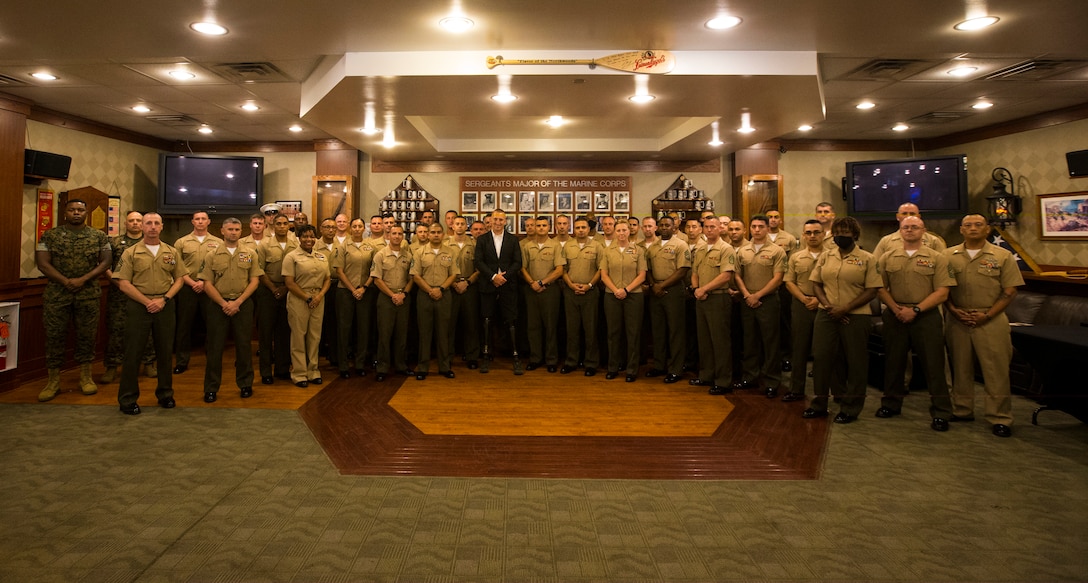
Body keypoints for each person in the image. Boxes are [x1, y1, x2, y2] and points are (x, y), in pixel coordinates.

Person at [943, 214, 1024, 438]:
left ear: (987, 229)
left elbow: (1010, 291)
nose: (973, 229)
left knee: (995, 371)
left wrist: (987, 315)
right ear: (961, 230)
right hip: (957, 318)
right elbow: (942, 288)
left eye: (978, 225)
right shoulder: (948, 255)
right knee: (960, 368)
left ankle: (1000, 417)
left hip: (991, 319)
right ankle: (962, 410)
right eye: (968, 225)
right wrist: (953, 310)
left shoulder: (1002, 255)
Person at [875, 216, 955, 431]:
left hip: (926, 316)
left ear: (924, 231)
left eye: (914, 227)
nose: (910, 230)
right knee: (894, 362)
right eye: (905, 227)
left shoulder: (938, 258)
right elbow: (879, 288)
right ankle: (891, 403)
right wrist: (895, 309)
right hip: (895, 313)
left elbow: (942, 292)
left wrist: (916, 310)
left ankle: (941, 411)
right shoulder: (887, 257)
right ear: (900, 231)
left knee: (934, 364)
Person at [804, 217, 882, 424]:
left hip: (856, 316)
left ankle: (850, 408)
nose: (841, 236)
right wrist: (828, 306)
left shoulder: (868, 258)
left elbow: (872, 289)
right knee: (821, 359)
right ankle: (819, 404)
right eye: (837, 232)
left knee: (856, 362)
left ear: (855, 235)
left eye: (845, 232)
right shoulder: (826, 256)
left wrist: (846, 308)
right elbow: (816, 284)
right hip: (826, 314)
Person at [35, 198, 112, 401]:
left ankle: (85, 377)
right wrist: (66, 281)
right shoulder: (50, 235)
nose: (76, 213)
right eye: (72, 210)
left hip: (87, 294)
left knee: (87, 336)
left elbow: (106, 262)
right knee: (54, 336)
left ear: (86, 213)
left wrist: (82, 280)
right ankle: (53, 381)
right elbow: (42, 263)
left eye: (80, 210)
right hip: (57, 294)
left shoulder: (99, 236)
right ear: (65, 213)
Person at [113, 212, 187, 415]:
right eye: (148, 223)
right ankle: (127, 399)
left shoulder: (171, 251)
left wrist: (164, 300)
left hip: (165, 305)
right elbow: (123, 283)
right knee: (133, 353)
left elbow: (180, 279)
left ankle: (165, 394)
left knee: (164, 352)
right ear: (142, 227)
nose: (152, 227)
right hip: (139, 305)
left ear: (162, 226)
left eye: (156, 223)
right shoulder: (131, 252)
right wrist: (147, 302)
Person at [199, 217, 261, 402]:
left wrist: (238, 302)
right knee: (215, 348)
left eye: (236, 229)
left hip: (242, 304)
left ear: (241, 232)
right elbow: (207, 283)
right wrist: (223, 303)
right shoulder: (211, 255)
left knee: (243, 346)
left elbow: (255, 280)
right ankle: (211, 388)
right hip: (218, 305)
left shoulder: (250, 254)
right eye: (230, 229)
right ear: (222, 232)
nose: (233, 232)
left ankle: (245, 384)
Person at [734, 214, 787, 397]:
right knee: (749, 341)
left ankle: (772, 381)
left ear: (767, 228)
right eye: (754, 226)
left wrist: (758, 295)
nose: (756, 230)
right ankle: (750, 377)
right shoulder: (743, 251)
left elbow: (778, 278)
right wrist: (747, 294)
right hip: (747, 299)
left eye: (760, 227)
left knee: (770, 342)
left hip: (768, 300)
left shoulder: (776, 251)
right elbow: (737, 275)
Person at [103, 211, 157, 383]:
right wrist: (119, 283)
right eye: (131, 221)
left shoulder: (151, 243)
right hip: (119, 294)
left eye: (138, 221)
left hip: (145, 294)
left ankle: (148, 363)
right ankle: (112, 366)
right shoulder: (114, 243)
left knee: (147, 330)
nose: (135, 223)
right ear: (125, 224)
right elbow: (105, 266)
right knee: (116, 330)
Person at [688, 216, 736, 395]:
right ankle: (706, 375)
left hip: (718, 298)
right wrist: (696, 289)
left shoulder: (726, 249)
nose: (709, 230)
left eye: (713, 227)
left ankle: (723, 381)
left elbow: (725, 276)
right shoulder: (700, 249)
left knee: (720, 341)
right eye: (706, 227)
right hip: (701, 298)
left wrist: (704, 289)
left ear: (720, 229)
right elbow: (695, 272)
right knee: (705, 340)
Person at [172, 211, 224, 374]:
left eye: (203, 219)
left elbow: (220, 266)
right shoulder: (181, 242)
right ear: (192, 222)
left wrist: (204, 283)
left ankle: (213, 360)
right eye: (197, 219)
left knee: (213, 326)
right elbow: (176, 267)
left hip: (210, 288)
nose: (200, 222)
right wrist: (193, 283)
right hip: (187, 288)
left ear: (209, 222)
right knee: (184, 326)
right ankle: (182, 361)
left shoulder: (218, 242)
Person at [474, 209, 524, 374]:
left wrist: (503, 277)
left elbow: (517, 263)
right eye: (495, 219)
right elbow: (479, 262)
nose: (497, 222)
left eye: (501, 220)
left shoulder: (512, 240)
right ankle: (486, 357)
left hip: (508, 286)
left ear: (505, 221)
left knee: (511, 321)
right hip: (488, 286)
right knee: (487, 321)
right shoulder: (482, 240)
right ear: (490, 220)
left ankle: (515, 357)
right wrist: (493, 276)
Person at [283, 224, 332, 387]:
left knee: (315, 337)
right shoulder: (291, 257)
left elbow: (327, 279)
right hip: (299, 299)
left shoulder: (322, 257)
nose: (309, 240)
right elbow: (289, 283)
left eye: (312, 236)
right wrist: (307, 298)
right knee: (298, 336)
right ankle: (299, 373)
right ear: (299, 238)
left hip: (318, 298)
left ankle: (313, 371)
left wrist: (319, 296)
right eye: (305, 236)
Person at [782, 220, 825, 402]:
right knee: (799, 349)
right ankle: (796, 389)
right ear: (803, 235)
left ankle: (824, 393)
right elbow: (789, 281)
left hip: (825, 305)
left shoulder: (832, 256)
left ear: (823, 234)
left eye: (816, 232)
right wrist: (803, 298)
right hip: (801, 303)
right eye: (809, 233)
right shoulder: (796, 257)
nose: (812, 236)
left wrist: (819, 299)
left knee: (823, 351)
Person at [644, 216, 690, 383]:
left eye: (667, 225)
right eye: (661, 225)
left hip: (673, 291)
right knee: (658, 331)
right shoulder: (653, 247)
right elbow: (647, 269)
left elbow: (682, 270)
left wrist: (661, 286)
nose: (664, 228)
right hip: (655, 292)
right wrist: (653, 285)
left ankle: (676, 369)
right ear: (657, 227)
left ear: (674, 227)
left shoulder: (680, 245)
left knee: (675, 332)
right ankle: (659, 365)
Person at [333, 218, 380, 378]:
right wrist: (353, 289)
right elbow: (339, 271)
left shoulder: (371, 247)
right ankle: (343, 365)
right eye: (354, 226)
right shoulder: (343, 246)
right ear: (350, 228)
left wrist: (364, 288)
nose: (357, 229)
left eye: (360, 226)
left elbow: (374, 270)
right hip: (345, 292)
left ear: (364, 229)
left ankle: (360, 364)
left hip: (365, 292)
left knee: (364, 328)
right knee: (344, 329)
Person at [411, 223, 459, 379]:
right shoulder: (419, 253)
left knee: (443, 332)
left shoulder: (451, 252)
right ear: (428, 235)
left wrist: (441, 289)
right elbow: (415, 275)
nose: (436, 234)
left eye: (439, 232)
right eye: (433, 232)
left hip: (444, 295)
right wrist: (430, 290)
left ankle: (444, 367)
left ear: (443, 234)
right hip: (425, 295)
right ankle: (423, 367)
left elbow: (453, 275)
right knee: (424, 332)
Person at [255, 214, 298, 384]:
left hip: (289, 290)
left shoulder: (295, 244)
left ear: (289, 226)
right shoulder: (264, 245)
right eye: (278, 223)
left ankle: (282, 368)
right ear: (272, 225)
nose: (281, 226)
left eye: (285, 223)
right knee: (265, 333)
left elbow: (299, 269)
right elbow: (259, 270)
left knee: (285, 332)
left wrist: (286, 288)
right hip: (267, 291)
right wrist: (274, 289)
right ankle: (266, 371)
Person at [521, 216, 565, 372]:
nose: (540, 228)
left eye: (543, 225)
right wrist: (532, 283)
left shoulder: (555, 246)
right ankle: (535, 358)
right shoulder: (527, 246)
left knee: (551, 325)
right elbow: (522, 268)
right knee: (533, 326)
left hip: (550, 290)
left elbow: (559, 270)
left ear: (549, 227)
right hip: (531, 289)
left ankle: (551, 360)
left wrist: (542, 282)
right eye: (538, 225)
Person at [371, 225, 414, 381]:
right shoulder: (380, 255)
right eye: (393, 233)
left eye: (400, 234)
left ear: (403, 237)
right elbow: (376, 279)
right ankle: (382, 367)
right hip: (386, 298)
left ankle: (401, 365)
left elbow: (412, 279)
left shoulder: (408, 256)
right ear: (388, 235)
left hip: (403, 297)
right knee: (385, 334)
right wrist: (392, 295)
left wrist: (403, 294)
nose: (396, 236)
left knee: (402, 334)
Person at [561, 217, 603, 375]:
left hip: (590, 292)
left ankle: (591, 363)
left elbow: (601, 269)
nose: (580, 230)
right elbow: (563, 269)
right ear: (573, 229)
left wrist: (589, 285)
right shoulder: (567, 246)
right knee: (572, 329)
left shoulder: (597, 246)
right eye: (577, 227)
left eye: (583, 227)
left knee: (590, 329)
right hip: (570, 292)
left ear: (588, 229)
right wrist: (571, 285)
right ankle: (571, 361)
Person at [446, 215, 481, 369]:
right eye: (457, 224)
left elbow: (480, 268)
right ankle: (447, 356)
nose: (459, 226)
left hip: (469, 287)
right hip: (450, 287)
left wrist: (467, 282)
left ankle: (472, 356)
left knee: (471, 324)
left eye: (462, 224)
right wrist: (453, 283)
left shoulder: (474, 244)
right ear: (452, 226)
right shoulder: (444, 244)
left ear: (466, 227)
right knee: (449, 324)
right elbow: (441, 267)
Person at [766, 209, 798, 371]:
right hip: (765, 285)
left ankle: (786, 356)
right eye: (769, 217)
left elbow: (792, 263)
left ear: (780, 220)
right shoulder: (758, 238)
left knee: (785, 321)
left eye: (775, 217)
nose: (772, 220)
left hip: (783, 285)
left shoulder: (789, 239)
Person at [871, 202, 948, 260]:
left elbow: (944, 265)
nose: (908, 216)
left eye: (912, 213)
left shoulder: (934, 241)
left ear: (918, 216)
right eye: (904, 213)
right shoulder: (885, 241)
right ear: (898, 217)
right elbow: (875, 267)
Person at [315, 218, 341, 365]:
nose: (330, 230)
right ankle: (316, 355)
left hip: (337, 287)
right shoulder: (314, 245)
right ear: (321, 229)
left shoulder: (341, 245)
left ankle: (334, 355)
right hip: (319, 288)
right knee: (319, 322)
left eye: (333, 227)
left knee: (335, 322)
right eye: (327, 227)